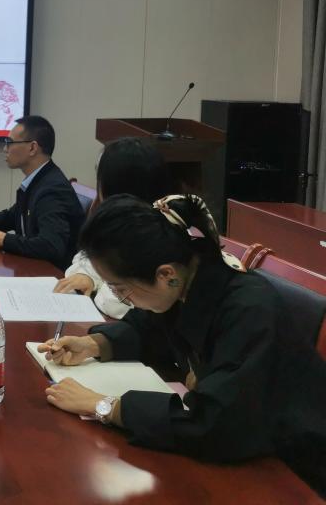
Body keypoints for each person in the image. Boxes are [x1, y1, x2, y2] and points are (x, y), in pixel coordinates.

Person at [39, 194, 326, 496]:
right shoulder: (189, 277)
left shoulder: (249, 309)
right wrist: (94, 344)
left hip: (296, 469)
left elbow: (214, 424)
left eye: (121, 289)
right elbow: (150, 328)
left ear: (165, 274)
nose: (124, 300)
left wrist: (106, 406)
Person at [55, 137, 175, 317]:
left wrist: (101, 283)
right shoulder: (117, 223)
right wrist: (88, 276)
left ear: (114, 187)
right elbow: (85, 258)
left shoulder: (158, 233)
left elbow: (115, 304)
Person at [0, 115, 83, 270]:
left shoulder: (52, 189)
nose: (4, 149)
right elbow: (13, 216)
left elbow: (51, 246)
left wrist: (4, 240)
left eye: (9, 142)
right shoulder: (39, 180)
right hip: (34, 268)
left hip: (53, 275)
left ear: (32, 148)